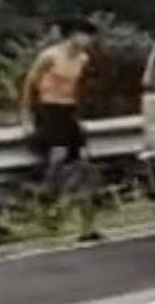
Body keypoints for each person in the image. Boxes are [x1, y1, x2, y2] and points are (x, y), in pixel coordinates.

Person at [19, 17, 102, 242]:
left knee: (84, 165)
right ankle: (48, 195)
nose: (87, 40)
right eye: (83, 35)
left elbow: (81, 89)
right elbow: (29, 84)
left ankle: (88, 226)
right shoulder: (50, 56)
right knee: (59, 154)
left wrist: (80, 116)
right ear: (72, 34)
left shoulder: (83, 59)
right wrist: (26, 117)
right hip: (48, 109)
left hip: (69, 111)